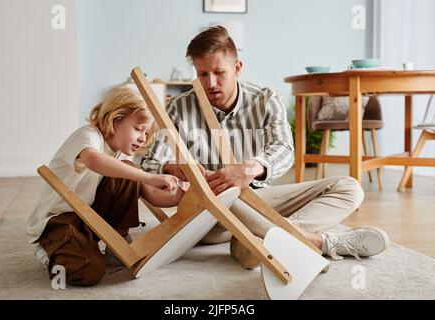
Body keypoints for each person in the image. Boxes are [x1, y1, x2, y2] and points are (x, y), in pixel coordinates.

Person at [142, 26, 389, 268]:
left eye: (219, 72)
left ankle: (260, 241)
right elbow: (150, 165)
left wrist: (252, 168)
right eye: (203, 74)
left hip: (259, 199)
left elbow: (283, 149)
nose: (211, 83)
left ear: (237, 68)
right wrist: (175, 168)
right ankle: (315, 242)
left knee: (349, 188)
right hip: (210, 217)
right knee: (223, 196)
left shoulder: (265, 99)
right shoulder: (178, 108)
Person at [25, 84, 187, 286]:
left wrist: (177, 197)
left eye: (146, 133)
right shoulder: (88, 135)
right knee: (89, 272)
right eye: (138, 129)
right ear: (116, 119)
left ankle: (116, 242)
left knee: (128, 168)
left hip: (88, 215)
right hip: (58, 220)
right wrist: (148, 176)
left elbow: (149, 193)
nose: (143, 138)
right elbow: (93, 160)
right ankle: (50, 251)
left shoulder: (120, 153)